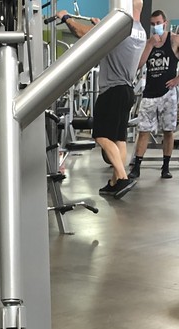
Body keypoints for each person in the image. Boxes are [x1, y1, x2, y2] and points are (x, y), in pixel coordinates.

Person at [56, 0, 146, 199]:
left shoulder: (120, 28)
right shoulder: (141, 31)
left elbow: (81, 33)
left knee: (101, 136)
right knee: (119, 139)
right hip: (127, 91)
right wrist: (101, 28)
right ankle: (115, 182)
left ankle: (122, 178)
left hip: (112, 91)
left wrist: (65, 17)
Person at [130, 10, 179, 180]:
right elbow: (138, 65)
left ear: (165, 23)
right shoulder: (149, 43)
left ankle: (166, 167)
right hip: (149, 94)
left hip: (168, 93)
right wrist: (149, 45)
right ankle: (137, 167)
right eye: (153, 24)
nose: (156, 27)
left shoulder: (176, 40)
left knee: (168, 131)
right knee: (143, 131)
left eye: (158, 23)